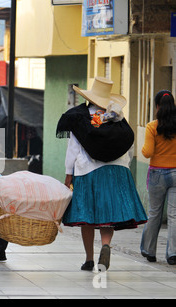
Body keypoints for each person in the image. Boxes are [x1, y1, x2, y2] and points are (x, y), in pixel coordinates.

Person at [56, 77, 148, 271]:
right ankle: (105, 245)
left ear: (89, 97)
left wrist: (68, 174)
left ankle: (89, 259)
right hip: (117, 170)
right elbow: (128, 148)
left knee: (87, 216)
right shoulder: (117, 116)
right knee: (109, 215)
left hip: (87, 171)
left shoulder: (81, 117)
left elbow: (72, 149)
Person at [140, 90, 176, 265]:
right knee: (174, 215)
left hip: (157, 174)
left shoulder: (152, 126)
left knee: (154, 213)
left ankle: (149, 251)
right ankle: (172, 254)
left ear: (157, 106)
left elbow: (147, 153)